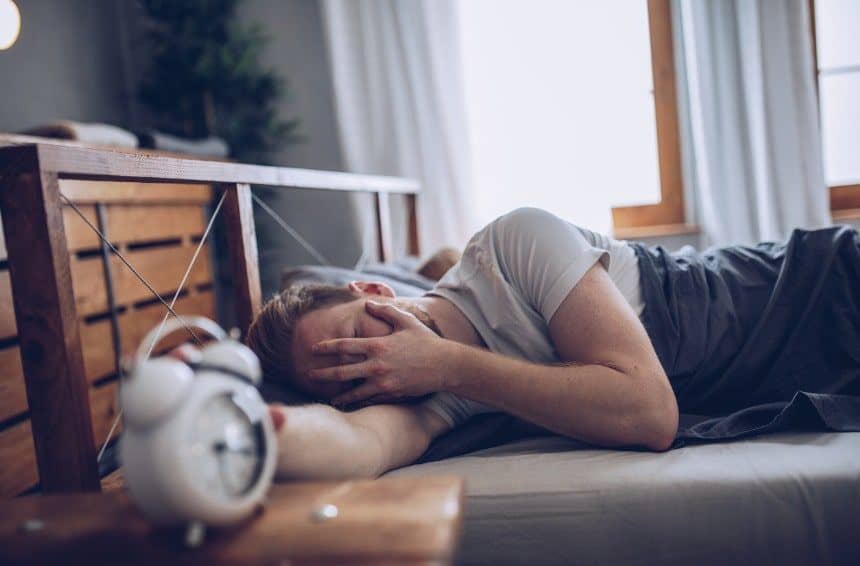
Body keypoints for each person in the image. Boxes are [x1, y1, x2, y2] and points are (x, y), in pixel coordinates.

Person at [177, 208, 860, 480]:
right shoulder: (432, 395)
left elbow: (648, 409)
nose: (373, 364)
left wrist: (449, 363)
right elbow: (356, 446)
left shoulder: (511, 246)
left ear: (375, 293)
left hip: (815, 285)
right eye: (348, 377)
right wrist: (227, 416)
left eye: (357, 339)